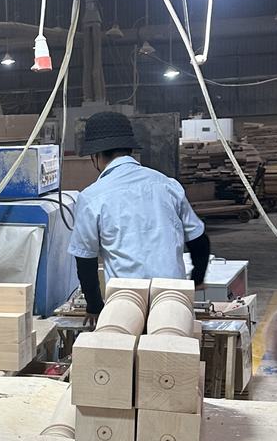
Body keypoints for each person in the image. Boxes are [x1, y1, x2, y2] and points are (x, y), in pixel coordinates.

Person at [68, 112, 210, 317]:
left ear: (95, 156)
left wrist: (95, 307)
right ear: (130, 149)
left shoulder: (91, 197)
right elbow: (199, 240)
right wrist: (197, 279)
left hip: (126, 303)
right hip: (173, 299)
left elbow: (85, 259)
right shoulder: (167, 185)